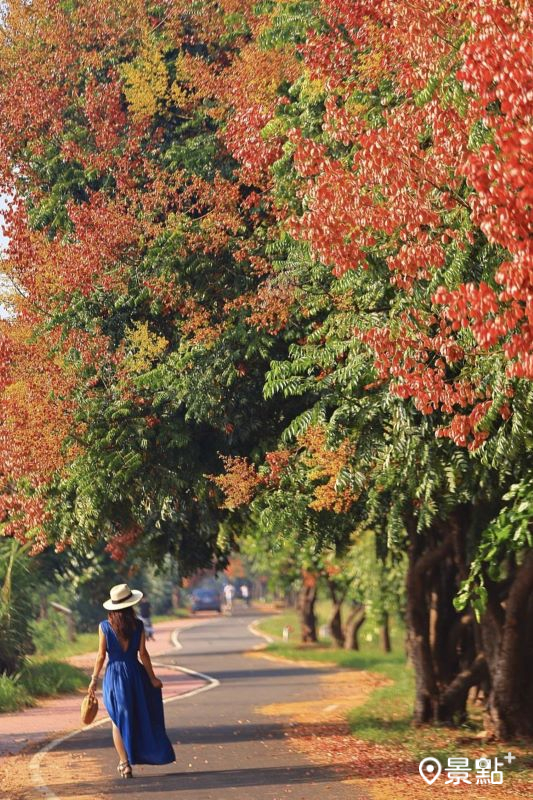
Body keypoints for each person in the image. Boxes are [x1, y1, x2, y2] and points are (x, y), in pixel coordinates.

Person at [89, 583, 175, 778]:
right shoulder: (138, 626)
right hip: (135, 673)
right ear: (130, 605)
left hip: (114, 675)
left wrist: (94, 679)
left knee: (117, 719)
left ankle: (124, 763)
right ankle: (138, 754)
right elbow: (143, 654)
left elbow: (101, 656)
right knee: (138, 714)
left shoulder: (104, 627)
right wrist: (152, 678)